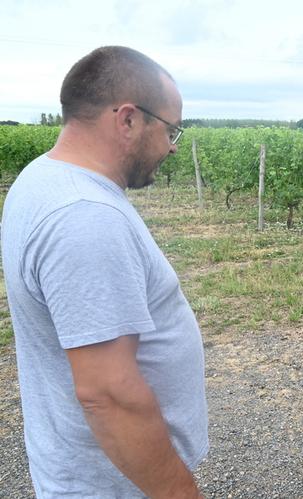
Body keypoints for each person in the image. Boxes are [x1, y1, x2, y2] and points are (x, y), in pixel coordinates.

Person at [1, 46, 208, 498]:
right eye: (170, 128)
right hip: (115, 485)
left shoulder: (40, 177)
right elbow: (108, 395)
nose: (173, 146)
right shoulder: (84, 217)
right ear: (128, 119)